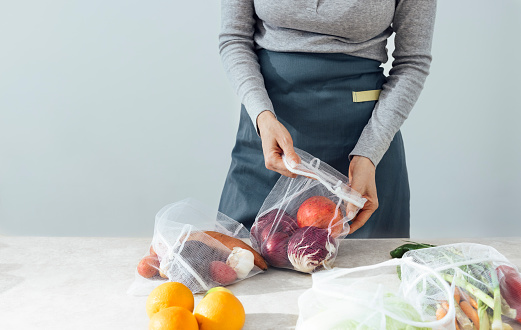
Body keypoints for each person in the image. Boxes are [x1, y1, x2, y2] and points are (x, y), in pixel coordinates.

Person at [217, 0, 437, 238]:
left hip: (364, 146)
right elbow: (234, 39)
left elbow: (413, 61)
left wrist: (368, 154)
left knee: (366, 269)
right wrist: (262, 115)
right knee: (241, 262)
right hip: (270, 134)